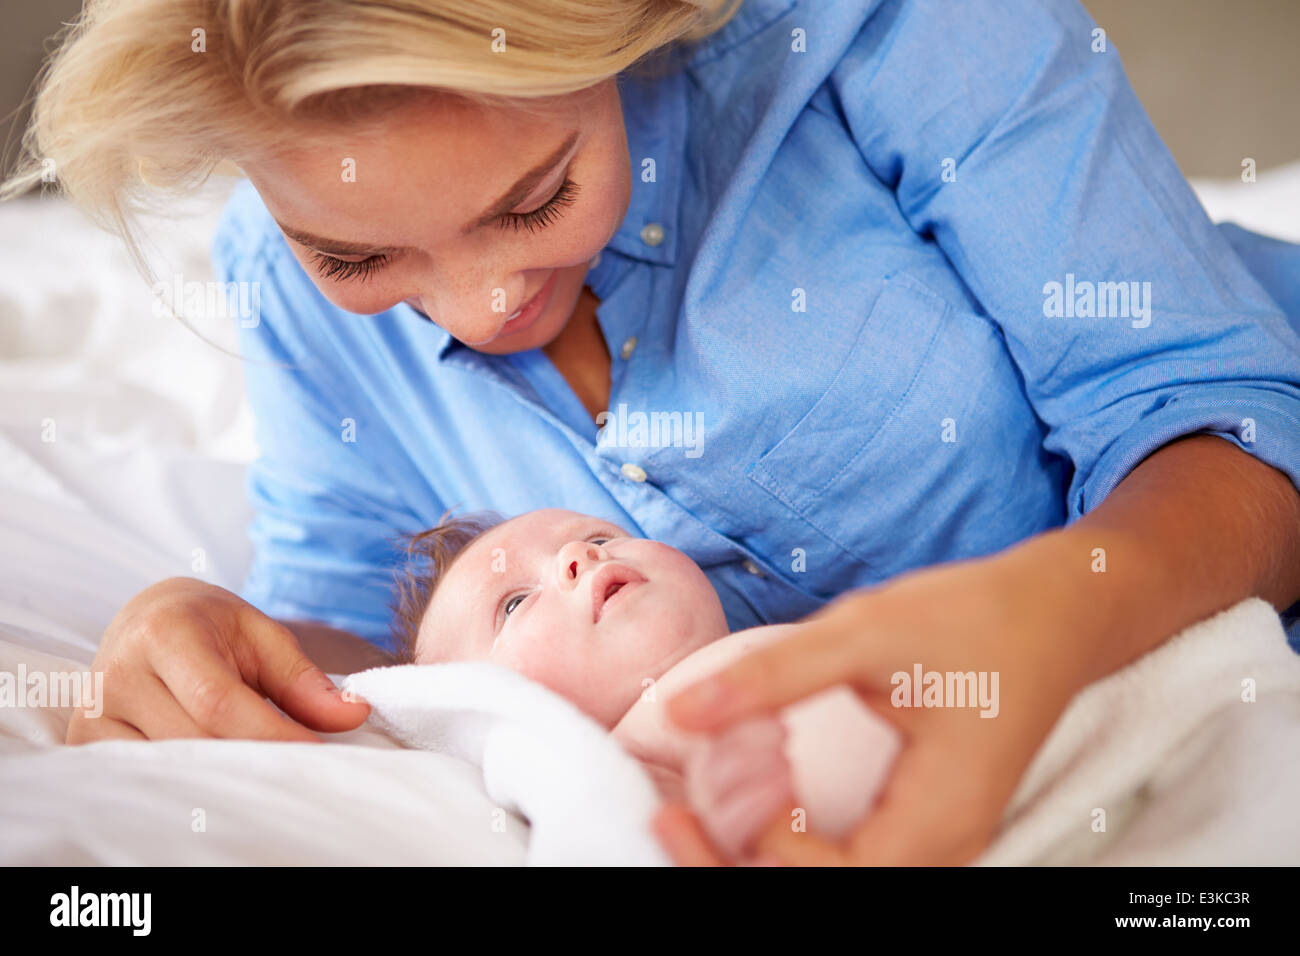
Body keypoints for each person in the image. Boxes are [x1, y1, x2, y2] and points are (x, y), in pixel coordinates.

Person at [5, 0, 1299, 866]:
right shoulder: (275, 278)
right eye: (354, 252)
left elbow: (1224, 419)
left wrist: (1049, 619)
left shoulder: (897, 33)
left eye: (536, 199)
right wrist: (215, 642)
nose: (482, 309)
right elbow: (373, 637)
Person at [388, 506, 901, 862]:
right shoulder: (617, 768)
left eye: (600, 539)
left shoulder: (792, 637)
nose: (578, 554)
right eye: (515, 603)